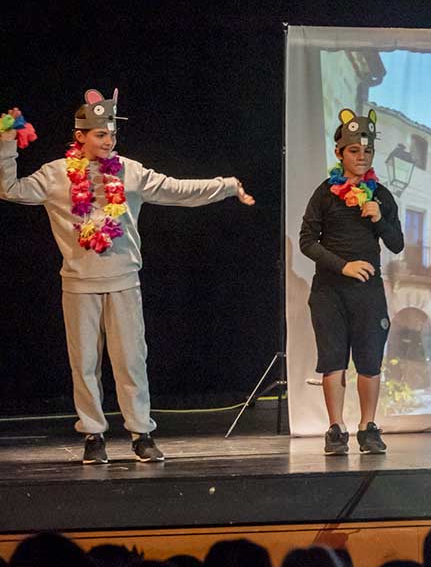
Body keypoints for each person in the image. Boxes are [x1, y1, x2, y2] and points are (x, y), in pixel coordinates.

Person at [0, 94, 254, 463]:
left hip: (124, 282)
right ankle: (93, 435)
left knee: (131, 361)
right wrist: (7, 143)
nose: (108, 141)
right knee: (84, 364)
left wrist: (227, 185)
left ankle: (141, 433)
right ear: (80, 136)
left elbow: (176, 190)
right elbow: (9, 189)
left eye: (112, 135)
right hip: (79, 284)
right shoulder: (55, 175)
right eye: (100, 134)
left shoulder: (129, 172)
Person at [300, 108, 404, 455]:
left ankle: (368, 428)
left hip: (368, 293)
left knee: (370, 360)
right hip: (329, 291)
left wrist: (379, 220)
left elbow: (397, 244)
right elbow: (307, 241)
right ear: (339, 153)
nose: (362, 157)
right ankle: (336, 429)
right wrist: (343, 266)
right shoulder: (325, 193)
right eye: (354, 151)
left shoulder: (381, 196)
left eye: (367, 151)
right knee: (333, 360)